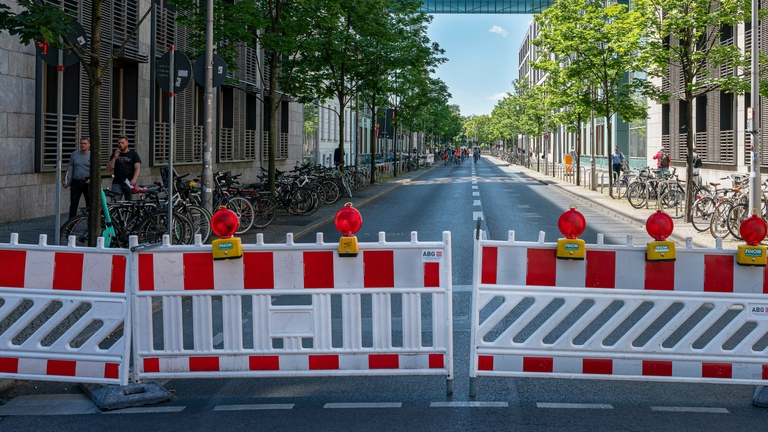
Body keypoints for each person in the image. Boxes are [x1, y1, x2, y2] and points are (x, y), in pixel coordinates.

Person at [62, 137, 91, 219]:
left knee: (89, 204)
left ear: (89, 145)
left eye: (85, 143)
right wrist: (65, 180)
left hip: (87, 183)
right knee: (73, 204)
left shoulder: (92, 155)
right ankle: (71, 223)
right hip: (76, 183)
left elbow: (95, 170)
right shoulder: (75, 154)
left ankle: (90, 223)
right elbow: (69, 167)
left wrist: (91, 179)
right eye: (81, 143)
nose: (83, 145)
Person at [106, 135, 141, 201]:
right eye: (119, 143)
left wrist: (134, 179)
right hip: (117, 182)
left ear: (127, 143)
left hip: (129, 182)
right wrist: (114, 157)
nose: (120, 144)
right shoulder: (115, 154)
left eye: (122, 143)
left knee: (129, 202)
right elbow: (108, 169)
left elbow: (137, 168)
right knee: (114, 201)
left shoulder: (133, 154)